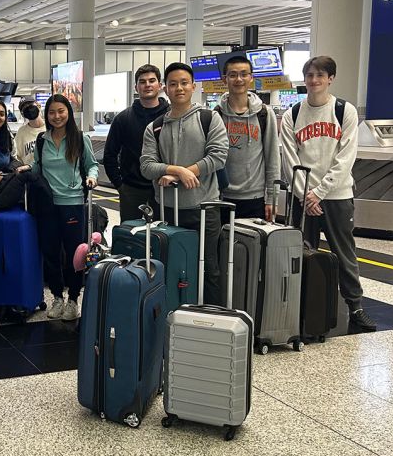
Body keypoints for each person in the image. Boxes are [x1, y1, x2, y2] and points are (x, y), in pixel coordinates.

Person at [281, 55, 376, 331]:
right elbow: (290, 161)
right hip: (303, 198)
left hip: (337, 197)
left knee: (344, 253)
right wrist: (305, 196)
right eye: (310, 75)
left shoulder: (344, 111)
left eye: (320, 76)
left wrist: (319, 193)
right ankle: (298, 309)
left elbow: (346, 157)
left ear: (330, 79)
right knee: (300, 254)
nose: (314, 81)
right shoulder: (293, 114)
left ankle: (355, 307)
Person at [140, 62, 228, 305]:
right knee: (170, 264)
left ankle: (211, 316)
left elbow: (218, 156)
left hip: (204, 208)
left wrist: (181, 174)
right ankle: (171, 314)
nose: (179, 88)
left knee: (209, 267)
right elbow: (147, 166)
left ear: (193, 86)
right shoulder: (155, 127)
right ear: (164, 89)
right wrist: (176, 169)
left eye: (184, 83)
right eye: (173, 84)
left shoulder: (210, 119)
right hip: (167, 208)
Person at [17, 94, 98, 322]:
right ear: (47, 115)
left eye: (61, 111)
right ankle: (56, 297)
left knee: (75, 255)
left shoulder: (80, 139)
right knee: (51, 252)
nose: (56, 116)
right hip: (48, 204)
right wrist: (27, 169)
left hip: (72, 203)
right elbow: (38, 167)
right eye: (52, 112)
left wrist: (91, 178)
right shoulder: (42, 140)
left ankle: (73, 299)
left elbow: (91, 166)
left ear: (68, 113)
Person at [216, 56, 279, 222]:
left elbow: (272, 157)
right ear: (225, 79)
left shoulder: (264, 114)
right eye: (233, 75)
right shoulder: (216, 115)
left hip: (255, 198)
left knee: (252, 245)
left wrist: (272, 198)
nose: (239, 79)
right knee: (222, 246)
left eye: (244, 74)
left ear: (251, 78)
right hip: (222, 196)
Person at [103, 64, 170, 222]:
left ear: (160, 86)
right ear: (136, 87)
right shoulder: (124, 118)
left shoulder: (170, 116)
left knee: (162, 236)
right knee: (130, 236)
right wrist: (120, 186)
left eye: (152, 81)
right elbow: (110, 154)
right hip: (132, 189)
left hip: (164, 188)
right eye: (142, 81)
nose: (147, 85)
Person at [13, 98, 46, 166]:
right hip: (30, 174)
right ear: (23, 114)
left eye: (30, 105)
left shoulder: (50, 127)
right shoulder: (21, 132)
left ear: (38, 106)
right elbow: (17, 156)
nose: (28, 108)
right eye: (25, 107)